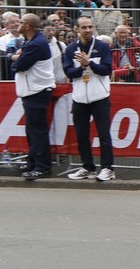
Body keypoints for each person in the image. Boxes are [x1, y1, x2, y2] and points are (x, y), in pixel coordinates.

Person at [63, 16, 116, 182]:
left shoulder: (102, 47)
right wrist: (82, 67)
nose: (88, 30)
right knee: (81, 135)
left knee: (103, 134)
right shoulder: (71, 49)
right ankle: (88, 167)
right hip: (79, 98)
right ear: (77, 29)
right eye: (84, 27)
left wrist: (89, 64)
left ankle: (108, 168)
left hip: (99, 97)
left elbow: (106, 70)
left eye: (90, 27)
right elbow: (68, 72)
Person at [12, 13, 56, 181]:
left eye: (21, 22)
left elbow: (20, 65)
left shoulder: (36, 44)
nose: (18, 24)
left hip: (37, 91)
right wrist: (18, 58)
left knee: (37, 130)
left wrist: (14, 58)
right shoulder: (33, 41)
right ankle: (33, 162)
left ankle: (42, 166)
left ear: (27, 26)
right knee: (32, 130)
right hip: (33, 91)